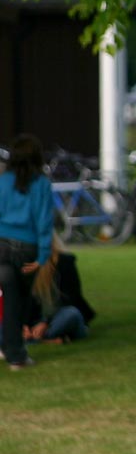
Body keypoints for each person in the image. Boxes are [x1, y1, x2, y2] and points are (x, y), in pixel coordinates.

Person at [1, 133, 54, 371]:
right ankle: (16, 355)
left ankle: (8, 347)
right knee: (19, 302)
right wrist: (43, 255)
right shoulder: (41, 184)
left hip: (2, 245)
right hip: (27, 248)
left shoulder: (3, 181)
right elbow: (44, 221)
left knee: (7, 298)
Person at [21, 233, 96, 344]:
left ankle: (36, 339)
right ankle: (46, 339)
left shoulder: (64, 262)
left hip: (58, 317)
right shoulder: (22, 265)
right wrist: (23, 325)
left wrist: (45, 322)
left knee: (72, 314)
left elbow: (72, 298)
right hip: (34, 321)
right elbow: (19, 301)